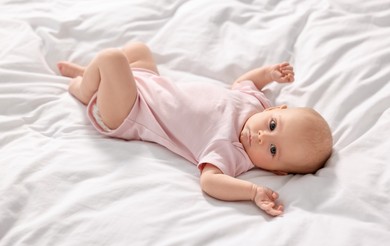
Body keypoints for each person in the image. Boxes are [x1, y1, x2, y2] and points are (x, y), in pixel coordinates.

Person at [58, 42, 333, 217]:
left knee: (112, 58)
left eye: (272, 150)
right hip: (149, 83)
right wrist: (268, 74)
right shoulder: (256, 102)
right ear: (275, 110)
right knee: (139, 50)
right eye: (272, 126)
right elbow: (244, 82)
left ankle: (84, 89)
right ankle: (96, 76)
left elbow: (210, 181)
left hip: (129, 111)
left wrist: (252, 192)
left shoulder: (233, 152)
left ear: (276, 171)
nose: (262, 137)